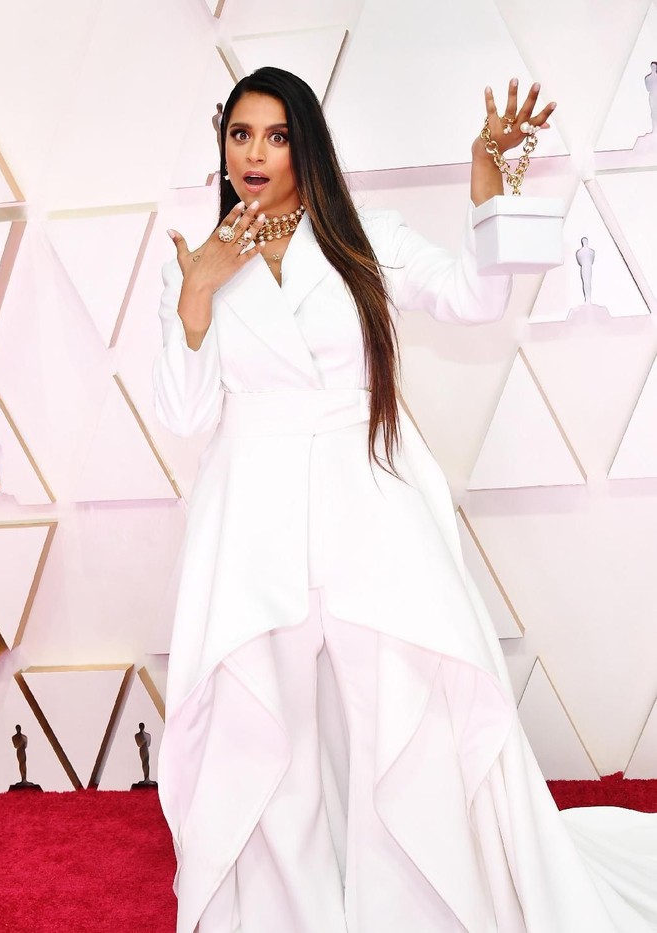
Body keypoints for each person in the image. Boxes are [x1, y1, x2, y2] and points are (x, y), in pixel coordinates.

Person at [153, 67, 657, 933]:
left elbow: (472, 297)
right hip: (253, 526)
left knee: (401, 712)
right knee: (267, 732)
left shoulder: (365, 240)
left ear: (307, 146)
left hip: (367, 510)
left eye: (277, 135)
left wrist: (487, 181)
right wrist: (197, 291)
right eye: (240, 133)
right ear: (222, 145)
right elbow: (184, 413)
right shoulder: (199, 264)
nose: (255, 153)